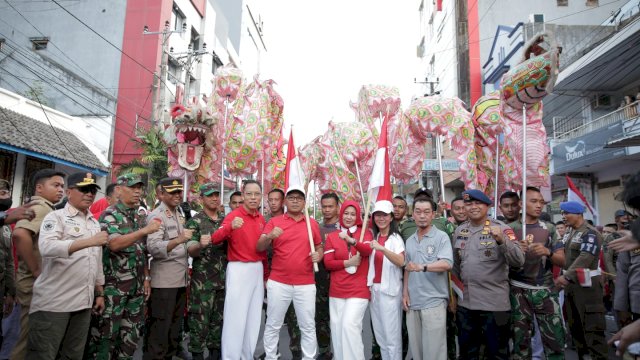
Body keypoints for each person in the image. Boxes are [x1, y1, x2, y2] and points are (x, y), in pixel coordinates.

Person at [26, 172, 107, 359]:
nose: (89, 194)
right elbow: (47, 247)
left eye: (93, 190)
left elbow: (96, 260)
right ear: (69, 192)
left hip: (83, 303)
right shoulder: (56, 217)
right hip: (55, 303)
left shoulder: (94, 223)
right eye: (84, 189)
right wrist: (89, 241)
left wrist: (100, 292)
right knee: (43, 355)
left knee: (73, 355)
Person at [88, 173, 160, 358]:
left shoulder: (137, 216)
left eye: (140, 188)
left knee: (131, 336)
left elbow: (141, 250)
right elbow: (114, 244)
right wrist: (144, 230)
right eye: (132, 188)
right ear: (119, 190)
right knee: (107, 336)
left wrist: (146, 277)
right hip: (114, 289)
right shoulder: (110, 215)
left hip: (135, 288)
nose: (137, 192)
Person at [453, 189, 524, 360]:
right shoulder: (460, 231)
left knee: (497, 353)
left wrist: (502, 240)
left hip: (494, 304)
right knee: (468, 352)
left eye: (478, 203)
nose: (473, 207)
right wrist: (454, 297)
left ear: (487, 206)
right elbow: (455, 267)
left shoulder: (502, 229)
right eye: (469, 204)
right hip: (467, 304)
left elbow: (519, 261)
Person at [257, 186, 323, 360]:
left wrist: (319, 255)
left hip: (306, 283)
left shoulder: (312, 223)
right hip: (279, 282)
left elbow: (319, 246)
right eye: (291, 197)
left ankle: (308, 358)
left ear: (304, 202)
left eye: (299, 198)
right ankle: (271, 357)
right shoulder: (274, 222)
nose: (295, 200)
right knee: (273, 324)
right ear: (285, 201)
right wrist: (269, 235)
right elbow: (260, 247)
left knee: (308, 326)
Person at [11, 169, 65, 360]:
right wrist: (36, 269)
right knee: (26, 340)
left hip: (37, 283)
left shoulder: (49, 208)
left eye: (62, 187)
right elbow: (20, 234)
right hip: (33, 283)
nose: (61, 190)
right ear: (39, 188)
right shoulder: (41, 207)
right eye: (56, 185)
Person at [211, 180, 267, 360]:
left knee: (253, 318)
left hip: (257, 270)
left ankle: (247, 355)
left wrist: (265, 275)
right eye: (249, 194)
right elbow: (215, 238)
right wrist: (229, 227)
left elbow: (263, 250)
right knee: (235, 317)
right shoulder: (233, 216)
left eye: (256, 194)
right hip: (238, 269)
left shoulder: (261, 218)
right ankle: (230, 356)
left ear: (260, 197)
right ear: (242, 196)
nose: (253, 197)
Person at [508, 187, 565, 360]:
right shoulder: (508, 229)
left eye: (541, 202)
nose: (539, 205)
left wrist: (548, 252)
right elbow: (498, 263)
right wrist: (515, 251)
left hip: (545, 290)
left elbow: (563, 261)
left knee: (555, 342)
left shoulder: (549, 228)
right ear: (520, 204)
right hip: (517, 291)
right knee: (520, 344)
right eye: (534, 201)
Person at [144, 177, 196, 359]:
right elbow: (154, 248)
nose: (177, 195)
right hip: (163, 284)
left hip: (179, 281)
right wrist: (178, 240)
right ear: (161, 194)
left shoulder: (177, 213)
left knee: (173, 332)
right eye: (172, 192)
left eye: (179, 191)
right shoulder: (157, 216)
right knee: (159, 332)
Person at [553, 201, 608, 360]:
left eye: (566, 213)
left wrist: (566, 276)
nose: (563, 217)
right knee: (575, 328)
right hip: (572, 287)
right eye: (562, 213)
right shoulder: (570, 232)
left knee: (592, 329)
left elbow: (585, 257)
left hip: (587, 288)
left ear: (578, 214)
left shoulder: (589, 233)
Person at [403, 197, 453, 360]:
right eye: (418, 212)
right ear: (413, 215)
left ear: (433, 214)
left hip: (434, 302)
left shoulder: (441, 237)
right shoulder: (410, 240)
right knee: (417, 352)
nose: (422, 216)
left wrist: (423, 267)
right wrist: (405, 293)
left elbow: (446, 264)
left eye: (426, 212)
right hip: (413, 303)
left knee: (434, 353)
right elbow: (407, 268)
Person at [323, 200, 373, 360]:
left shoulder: (366, 232)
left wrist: (351, 240)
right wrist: (347, 263)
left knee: (349, 326)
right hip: (337, 290)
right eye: (346, 213)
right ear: (341, 213)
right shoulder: (331, 236)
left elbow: (366, 251)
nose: (349, 217)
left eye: (353, 214)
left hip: (358, 289)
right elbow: (328, 263)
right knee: (337, 329)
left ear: (358, 216)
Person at [185, 183, 227, 360]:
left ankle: (215, 354)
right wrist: (200, 246)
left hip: (223, 280)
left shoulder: (225, 220)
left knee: (219, 321)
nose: (214, 198)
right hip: (203, 282)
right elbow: (190, 249)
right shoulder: (195, 221)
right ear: (201, 199)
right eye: (210, 195)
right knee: (200, 321)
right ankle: (197, 354)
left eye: (216, 195)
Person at [367, 200, 405, 360]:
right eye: (378, 215)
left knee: (392, 337)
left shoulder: (395, 239)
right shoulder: (373, 236)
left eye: (384, 215)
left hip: (390, 292)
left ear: (391, 218)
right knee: (380, 336)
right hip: (374, 291)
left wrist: (383, 249)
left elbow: (401, 261)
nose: (381, 218)